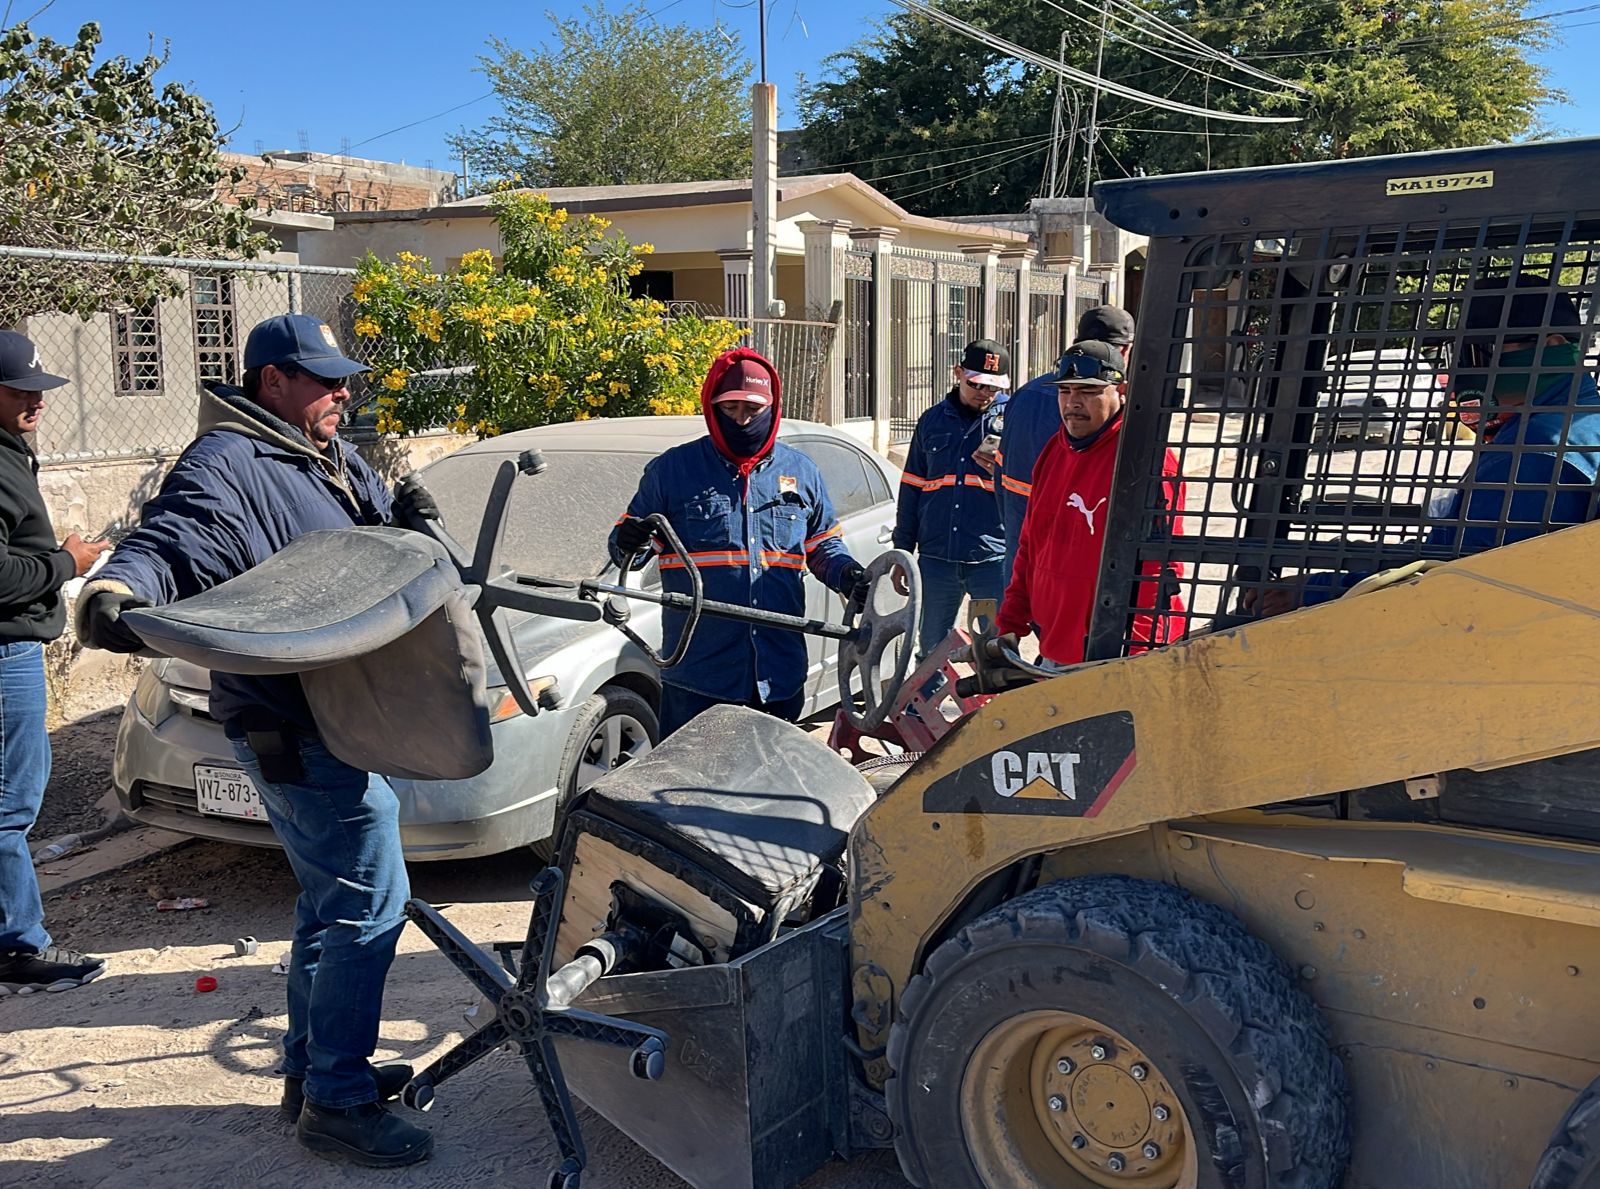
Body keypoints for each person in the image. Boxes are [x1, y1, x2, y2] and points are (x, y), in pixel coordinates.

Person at [75, 314, 433, 1168]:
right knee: (370, 904)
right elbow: (179, 534)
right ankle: (338, 1100)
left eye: (344, 377)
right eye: (323, 379)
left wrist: (409, 510)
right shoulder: (229, 461)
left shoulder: (321, 455)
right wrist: (121, 586)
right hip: (293, 724)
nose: (342, 391)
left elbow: (367, 546)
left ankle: (310, 1070)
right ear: (270, 381)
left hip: (332, 715)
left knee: (325, 902)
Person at [1249, 274, 1599, 616]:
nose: (1464, 373)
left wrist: (1315, 591)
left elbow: (1461, 577)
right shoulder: (1571, 422)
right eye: (1456, 355)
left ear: (1549, 348)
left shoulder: (1537, 451)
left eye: (1478, 353)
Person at [610, 348, 869, 736]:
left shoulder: (802, 472)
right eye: (730, 410)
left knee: (768, 789)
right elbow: (626, 551)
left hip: (777, 675)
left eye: (752, 410)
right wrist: (630, 539)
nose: (742, 421)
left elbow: (821, 546)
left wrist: (848, 574)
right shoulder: (672, 471)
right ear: (712, 406)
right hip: (698, 675)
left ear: (772, 407)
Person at [0, 332, 111, 996]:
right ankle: (18, 946)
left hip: (14, 643)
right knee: (12, 803)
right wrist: (68, 562)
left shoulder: (13, 452)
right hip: (6, 647)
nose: (34, 401)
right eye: (19, 390)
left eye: (37, 390)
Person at [996, 340, 1186, 666]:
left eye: (1088, 391)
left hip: (1118, 653)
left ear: (1121, 390)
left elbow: (1160, 566)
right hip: (1057, 649)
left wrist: (1139, 655)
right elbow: (1030, 545)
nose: (1073, 402)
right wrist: (1010, 624)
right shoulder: (1054, 452)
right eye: (1065, 391)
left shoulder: (1146, 462)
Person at [995, 305, 1135, 592]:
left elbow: (999, 476)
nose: (1072, 400)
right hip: (1077, 576)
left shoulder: (1024, 395)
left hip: (1023, 564)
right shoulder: (1113, 409)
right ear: (1124, 352)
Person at [893, 339, 1010, 658]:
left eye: (993, 387)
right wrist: (903, 551)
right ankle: (921, 708)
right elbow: (912, 486)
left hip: (991, 558)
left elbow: (1028, 490)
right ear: (958, 373)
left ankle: (996, 709)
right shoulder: (931, 421)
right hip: (937, 559)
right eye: (976, 384)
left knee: (995, 651)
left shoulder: (1013, 421)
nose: (985, 394)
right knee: (931, 648)